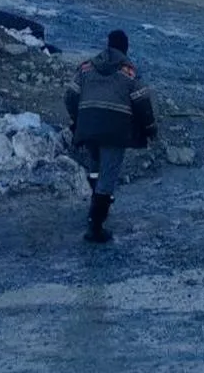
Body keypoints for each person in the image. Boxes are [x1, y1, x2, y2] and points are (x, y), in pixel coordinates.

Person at [65, 29, 157, 244]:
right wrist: (150, 128)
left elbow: (70, 95)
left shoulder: (87, 67)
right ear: (125, 48)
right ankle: (95, 226)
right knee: (108, 174)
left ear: (108, 44)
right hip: (115, 130)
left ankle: (96, 200)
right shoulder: (129, 72)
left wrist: (78, 119)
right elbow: (142, 102)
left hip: (89, 126)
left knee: (95, 168)